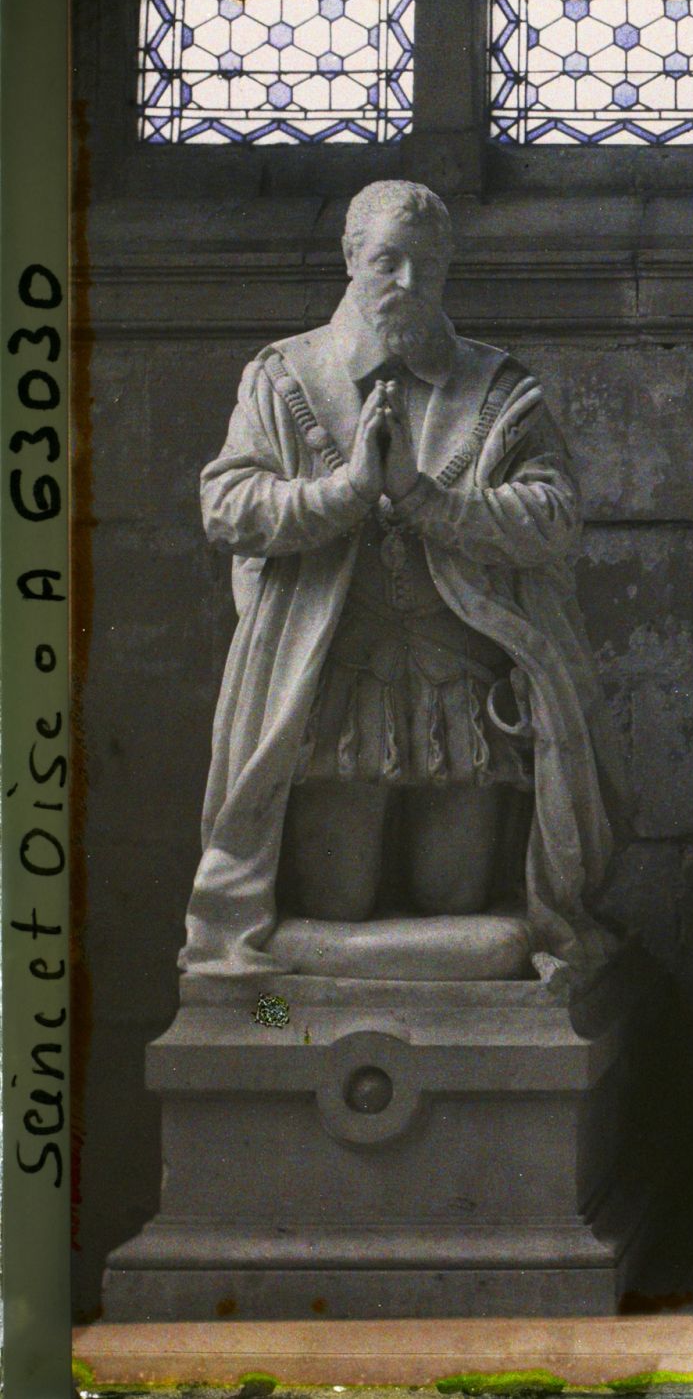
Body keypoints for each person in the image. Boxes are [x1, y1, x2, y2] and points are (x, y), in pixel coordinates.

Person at [183, 180, 619, 983]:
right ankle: (282, 1013)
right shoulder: (285, 377)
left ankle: (405, 978)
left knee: (452, 889)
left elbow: (555, 514)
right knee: (335, 896)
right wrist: (343, 495)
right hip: (330, 687)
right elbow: (227, 503)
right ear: (352, 257)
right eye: (389, 262)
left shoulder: (498, 389)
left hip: (463, 693)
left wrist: (429, 498)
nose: (409, 285)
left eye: (427, 266)